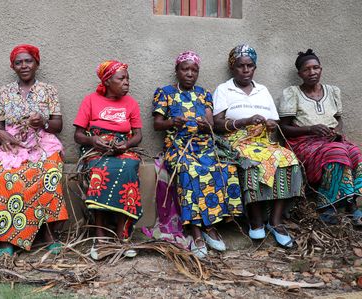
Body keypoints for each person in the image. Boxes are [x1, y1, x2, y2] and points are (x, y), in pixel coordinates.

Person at [0, 44, 68, 256]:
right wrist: (0, 134)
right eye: (19, 62)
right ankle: (5, 238)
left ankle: (49, 234)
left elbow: (58, 125)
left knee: (49, 173)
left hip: (43, 142)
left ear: (37, 63)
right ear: (13, 66)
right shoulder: (5, 92)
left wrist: (42, 121)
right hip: (13, 143)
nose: (24, 65)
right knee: (0, 177)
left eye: (28, 61)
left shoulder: (49, 90)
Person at [152, 51, 243, 258]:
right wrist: (171, 122)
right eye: (185, 69)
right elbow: (157, 124)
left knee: (224, 168)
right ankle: (196, 231)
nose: (190, 73)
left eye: (194, 70)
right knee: (191, 170)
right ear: (177, 71)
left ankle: (210, 226)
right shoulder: (164, 92)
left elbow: (211, 124)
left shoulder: (204, 94)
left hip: (205, 146)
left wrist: (205, 125)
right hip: (178, 146)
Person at [212, 44, 304, 248]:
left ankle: (275, 222)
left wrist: (271, 124)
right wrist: (244, 121)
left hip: (263, 140)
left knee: (287, 158)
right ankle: (255, 220)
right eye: (240, 66)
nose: (245, 70)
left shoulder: (262, 90)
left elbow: (275, 122)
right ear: (232, 67)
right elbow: (217, 124)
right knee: (251, 161)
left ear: (255, 68)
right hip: (236, 140)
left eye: (250, 66)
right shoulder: (224, 89)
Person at [279, 49, 362, 224]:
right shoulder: (292, 93)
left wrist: (337, 131)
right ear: (299, 73)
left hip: (331, 140)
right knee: (337, 152)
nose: (312, 72)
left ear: (321, 69)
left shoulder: (332, 91)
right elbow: (283, 128)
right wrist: (311, 129)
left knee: (355, 152)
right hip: (304, 142)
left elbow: (338, 120)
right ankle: (325, 207)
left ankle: (351, 203)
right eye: (306, 69)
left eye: (316, 68)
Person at [74, 60, 143, 260]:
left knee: (129, 166)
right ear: (107, 81)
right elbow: (78, 135)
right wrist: (93, 140)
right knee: (99, 171)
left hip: (122, 148)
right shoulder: (90, 100)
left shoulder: (131, 103)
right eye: (121, 78)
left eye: (127, 78)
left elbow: (138, 135)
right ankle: (100, 236)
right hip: (96, 149)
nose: (126, 82)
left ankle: (122, 234)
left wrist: (127, 145)